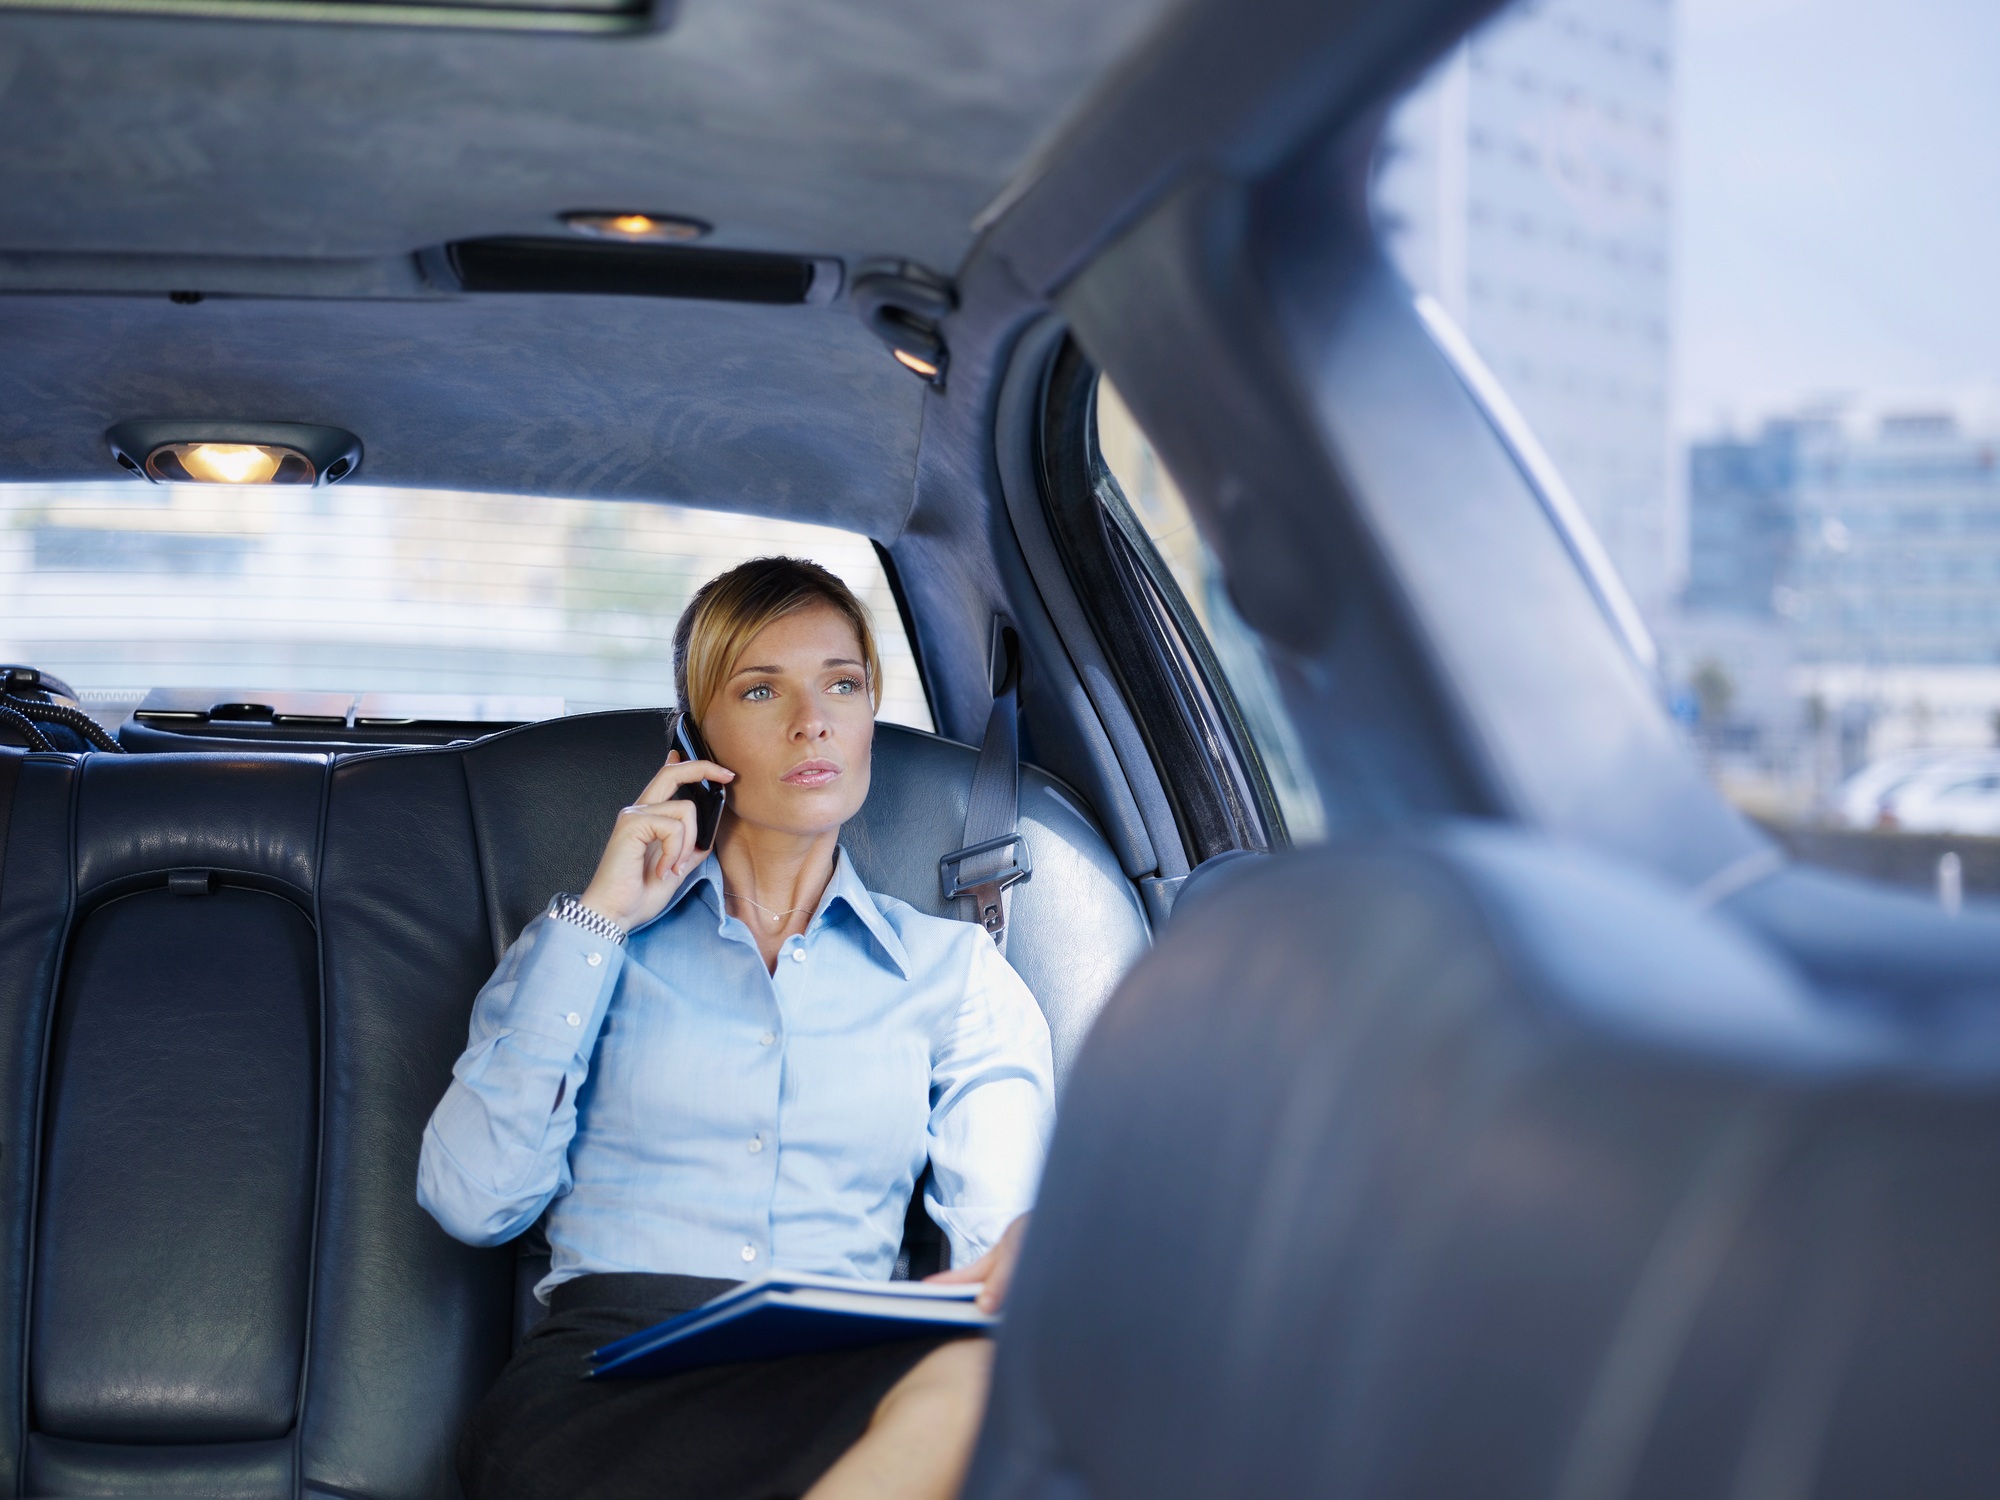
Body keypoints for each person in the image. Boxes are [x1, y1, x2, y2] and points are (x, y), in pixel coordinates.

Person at [418, 556, 1056, 1500]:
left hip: (834, 1375)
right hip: (610, 1379)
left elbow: (1000, 1253)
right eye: (762, 690)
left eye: (843, 684)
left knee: (978, 1386)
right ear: (691, 740)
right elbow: (472, 1200)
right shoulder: (584, 952)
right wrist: (600, 918)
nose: (815, 722)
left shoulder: (957, 978)